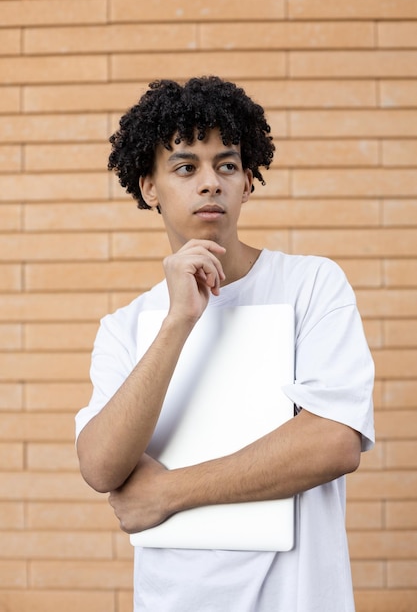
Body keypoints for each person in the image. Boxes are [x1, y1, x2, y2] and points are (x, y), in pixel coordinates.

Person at [75, 76, 375, 611]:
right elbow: (101, 466)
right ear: (150, 188)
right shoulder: (126, 326)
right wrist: (178, 321)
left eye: (228, 165)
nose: (210, 182)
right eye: (186, 167)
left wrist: (167, 492)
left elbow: (334, 441)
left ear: (248, 183)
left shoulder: (311, 285)